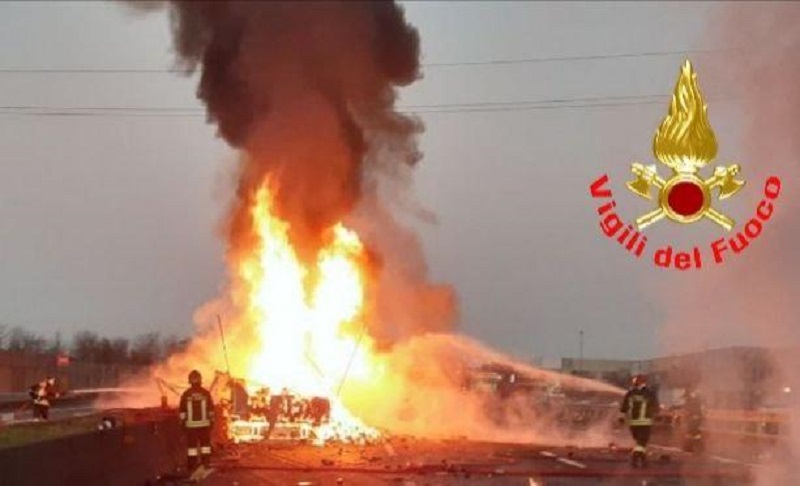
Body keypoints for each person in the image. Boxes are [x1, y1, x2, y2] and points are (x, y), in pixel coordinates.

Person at [619, 373, 660, 468]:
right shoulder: (650, 393)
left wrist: (621, 418)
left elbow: (623, 408)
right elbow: (656, 408)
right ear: (644, 382)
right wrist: (656, 415)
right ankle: (635, 457)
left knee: (639, 442)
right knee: (641, 443)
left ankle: (643, 459)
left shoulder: (630, 393)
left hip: (633, 424)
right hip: (645, 422)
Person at [179, 370, 215, 472]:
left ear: (189, 381)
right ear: (200, 380)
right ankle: (205, 464)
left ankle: (192, 466)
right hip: (204, 426)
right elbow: (211, 410)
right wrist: (212, 422)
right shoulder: (205, 393)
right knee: (205, 447)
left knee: (192, 448)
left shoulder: (186, 394)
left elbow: (182, 411)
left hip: (191, 427)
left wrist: (182, 423)